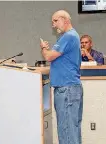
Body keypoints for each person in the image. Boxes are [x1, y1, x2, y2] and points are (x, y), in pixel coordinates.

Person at [40, 10, 83, 144]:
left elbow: (48, 56)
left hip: (66, 89)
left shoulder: (68, 36)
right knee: (72, 130)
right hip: (71, 88)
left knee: (66, 131)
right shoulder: (73, 36)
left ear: (66, 20)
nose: (53, 25)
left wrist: (44, 48)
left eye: (55, 21)